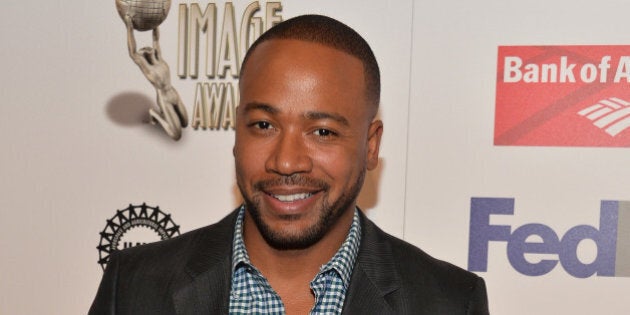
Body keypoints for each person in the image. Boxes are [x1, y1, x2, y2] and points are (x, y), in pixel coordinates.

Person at [90, 14, 489, 314]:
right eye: (263, 125)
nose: (285, 161)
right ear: (236, 132)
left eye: (323, 132)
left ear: (370, 146)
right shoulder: (135, 287)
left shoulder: (448, 302)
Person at [125, 15, 188, 140]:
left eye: (148, 47)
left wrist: (156, 21)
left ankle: (164, 116)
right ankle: (155, 114)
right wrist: (129, 28)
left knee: (185, 123)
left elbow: (155, 38)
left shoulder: (159, 58)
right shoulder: (147, 68)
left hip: (174, 94)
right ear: (142, 56)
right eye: (143, 49)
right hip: (164, 99)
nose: (147, 48)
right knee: (176, 135)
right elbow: (132, 52)